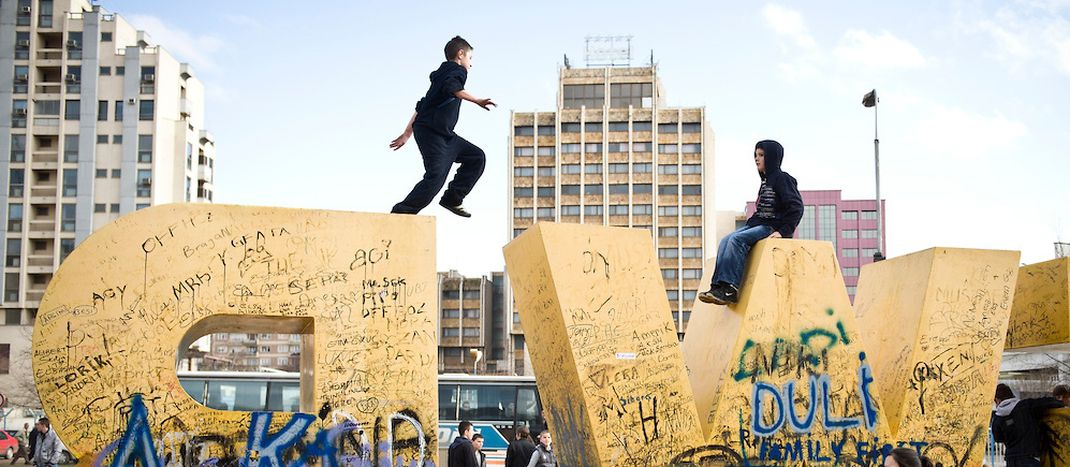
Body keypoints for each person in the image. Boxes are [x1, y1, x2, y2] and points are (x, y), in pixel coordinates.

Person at [390, 36, 495, 218]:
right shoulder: (456, 70)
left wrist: (407, 134)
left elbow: (422, 107)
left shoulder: (439, 77)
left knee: (476, 157)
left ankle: (452, 199)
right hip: (432, 134)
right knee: (436, 176)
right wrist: (476, 100)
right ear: (461, 54)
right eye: (470, 59)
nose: (471, 64)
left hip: (445, 135)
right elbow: (452, 86)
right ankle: (402, 212)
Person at [699, 140, 803, 305]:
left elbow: (796, 207)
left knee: (736, 240)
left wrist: (783, 231)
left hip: (771, 226)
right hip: (758, 224)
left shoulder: (783, 179)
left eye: (761, 155)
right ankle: (718, 286)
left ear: (772, 158)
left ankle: (730, 288)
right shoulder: (765, 182)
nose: (757, 159)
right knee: (726, 240)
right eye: (755, 155)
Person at [992, 383, 1066, 467]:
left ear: (997, 400)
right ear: (1011, 395)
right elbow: (1046, 402)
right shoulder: (1026, 406)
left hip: (1011, 460)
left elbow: (998, 439)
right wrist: (1060, 402)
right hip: (1030, 458)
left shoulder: (997, 418)